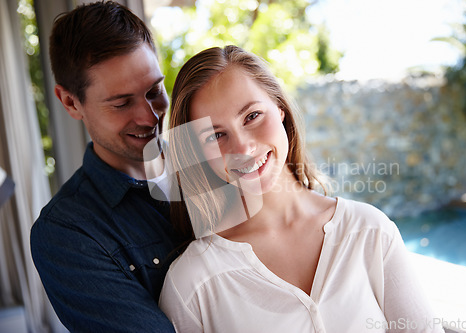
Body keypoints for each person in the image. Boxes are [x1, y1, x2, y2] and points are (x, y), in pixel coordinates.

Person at [158, 45, 444, 333]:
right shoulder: (192, 283)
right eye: (216, 135)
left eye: (252, 116)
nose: (242, 148)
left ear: (279, 108)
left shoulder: (369, 232)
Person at [30, 2, 181, 332]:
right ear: (70, 102)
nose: (150, 116)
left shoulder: (211, 161)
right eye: (122, 103)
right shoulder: (68, 234)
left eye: (154, 90)